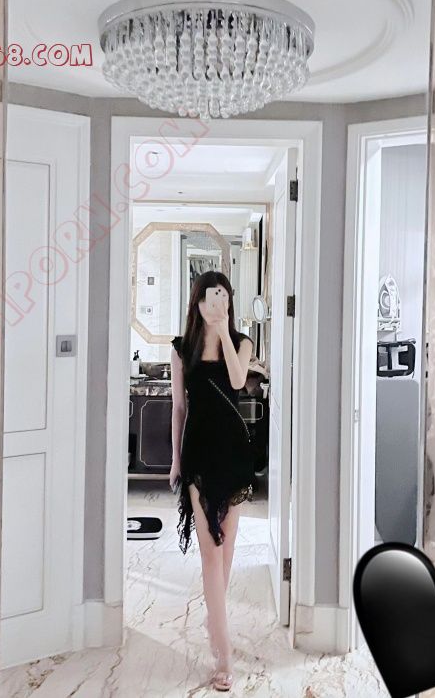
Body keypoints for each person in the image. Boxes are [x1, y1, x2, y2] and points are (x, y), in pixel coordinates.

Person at [169, 270, 255, 692]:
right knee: (210, 554)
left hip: (233, 454)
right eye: (209, 295)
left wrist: (223, 331)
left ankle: (213, 620)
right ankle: (223, 653)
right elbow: (179, 409)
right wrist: (174, 461)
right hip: (199, 456)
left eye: (223, 294)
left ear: (229, 301)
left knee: (226, 551)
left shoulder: (242, 342)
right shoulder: (181, 348)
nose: (216, 301)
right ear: (197, 302)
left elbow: (238, 382)